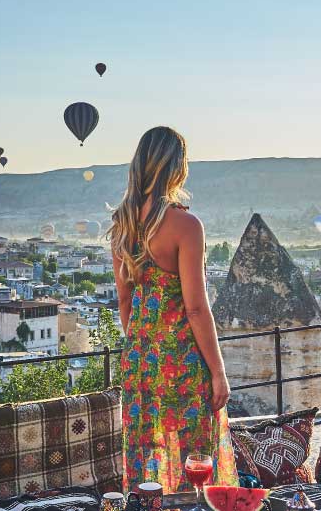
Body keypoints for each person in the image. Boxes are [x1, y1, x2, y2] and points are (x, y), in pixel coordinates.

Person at [109, 126, 236, 492]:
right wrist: (218, 372)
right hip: (182, 358)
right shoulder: (186, 225)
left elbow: (124, 300)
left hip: (139, 357)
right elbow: (195, 308)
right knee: (194, 455)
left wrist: (143, 346)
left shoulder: (122, 225)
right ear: (177, 166)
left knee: (145, 446)